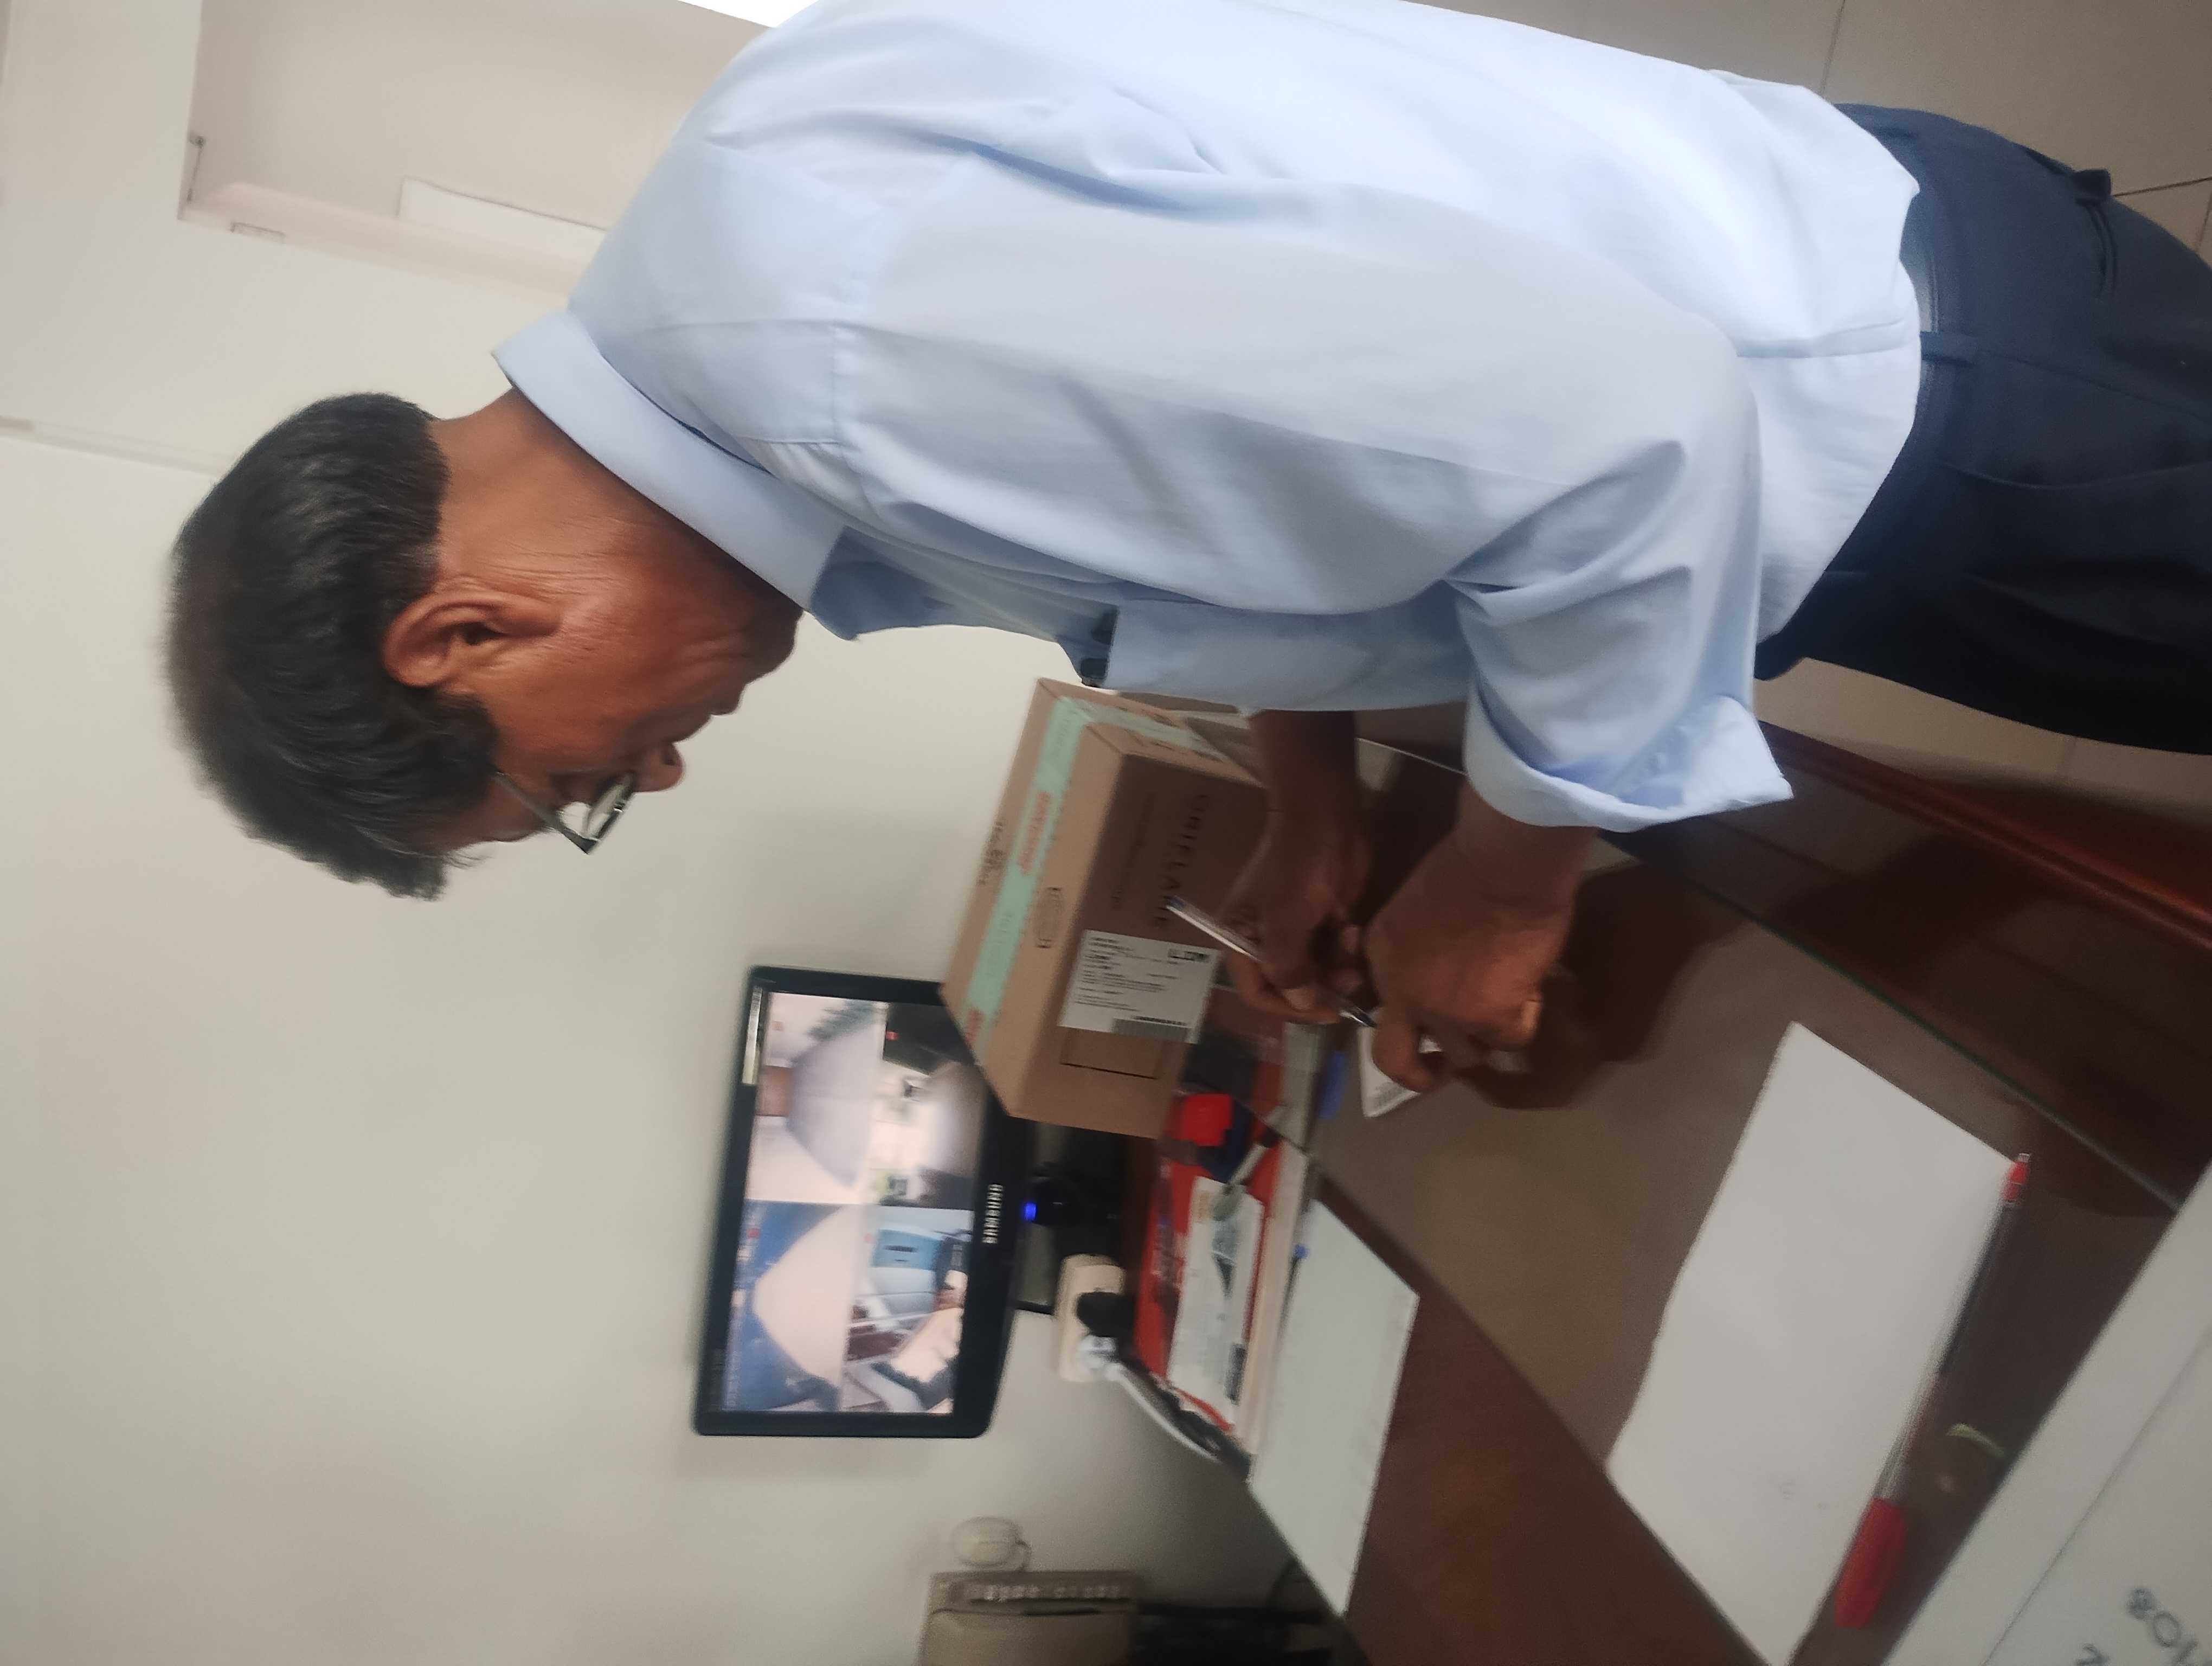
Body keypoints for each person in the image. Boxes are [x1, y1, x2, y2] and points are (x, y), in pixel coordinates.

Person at [165, 0, 2212, 1091]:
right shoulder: (747, 325)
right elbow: (1280, 468)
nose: (659, 771)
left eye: (582, 782)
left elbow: (1623, 427)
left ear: (462, 633)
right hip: (1882, 331)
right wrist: (1304, 795)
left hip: (1933, 405)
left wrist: (1502, 880)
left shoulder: (848, 359)